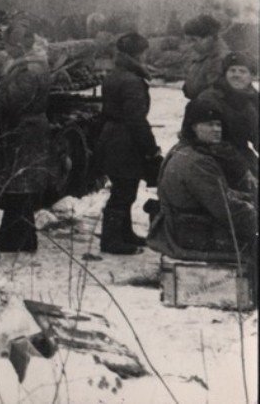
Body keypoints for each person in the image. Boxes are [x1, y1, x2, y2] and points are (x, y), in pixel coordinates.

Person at [147, 98, 257, 294]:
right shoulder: (197, 162)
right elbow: (225, 209)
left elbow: (220, 195)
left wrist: (250, 200)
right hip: (190, 234)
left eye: (218, 125)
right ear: (193, 127)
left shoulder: (184, 149)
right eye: (209, 124)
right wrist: (253, 219)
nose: (216, 130)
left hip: (182, 226)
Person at [0, 19, 54, 253]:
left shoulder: (28, 69)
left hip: (24, 130)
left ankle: (14, 238)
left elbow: (12, 100)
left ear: (19, 45)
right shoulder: (33, 63)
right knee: (20, 183)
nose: (6, 50)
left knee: (20, 184)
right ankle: (23, 236)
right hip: (28, 128)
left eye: (9, 46)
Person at [93, 32, 162, 255]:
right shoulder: (132, 81)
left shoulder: (116, 74)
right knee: (123, 192)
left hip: (113, 137)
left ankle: (124, 233)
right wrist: (150, 149)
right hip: (125, 141)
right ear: (140, 53)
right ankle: (112, 240)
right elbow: (136, 120)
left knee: (125, 188)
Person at [198, 52, 258, 178]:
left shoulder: (253, 99)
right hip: (209, 156)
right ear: (225, 74)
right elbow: (210, 141)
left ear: (251, 76)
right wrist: (242, 167)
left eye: (242, 71)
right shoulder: (210, 99)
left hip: (240, 152)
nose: (237, 75)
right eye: (232, 70)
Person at [182, 14, 230, 100]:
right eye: (188, 41)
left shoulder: (219, 59)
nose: (190, 45)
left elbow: (215, 93)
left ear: (210, 38)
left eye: (194, 40)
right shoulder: (200, 55)